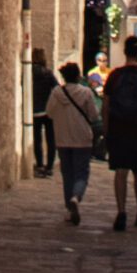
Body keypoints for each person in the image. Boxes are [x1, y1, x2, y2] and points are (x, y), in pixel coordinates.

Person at [101, 34, 137, 231]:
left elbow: (106, 105)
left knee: (120, 172)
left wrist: (106, 130)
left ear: (125, 52)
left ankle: (121, 211)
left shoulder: (115, 75)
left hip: (119, 129)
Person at [46, 59, 100, 224]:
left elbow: (49, 112)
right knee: (81, 173)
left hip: (63, 138)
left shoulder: (56, 92)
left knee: (67, 174)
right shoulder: (86, 93)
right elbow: (93, 115)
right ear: (78, 76)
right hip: (82, 138)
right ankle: (76, 197)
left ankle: (69, 209)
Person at [30, 47, 58, 176]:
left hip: (34, 110)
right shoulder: (48, 73)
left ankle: (40, 164)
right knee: (50, 139)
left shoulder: (29, 72)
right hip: (49, 110)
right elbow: (57, 88)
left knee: (37, 139)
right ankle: (50, 166)